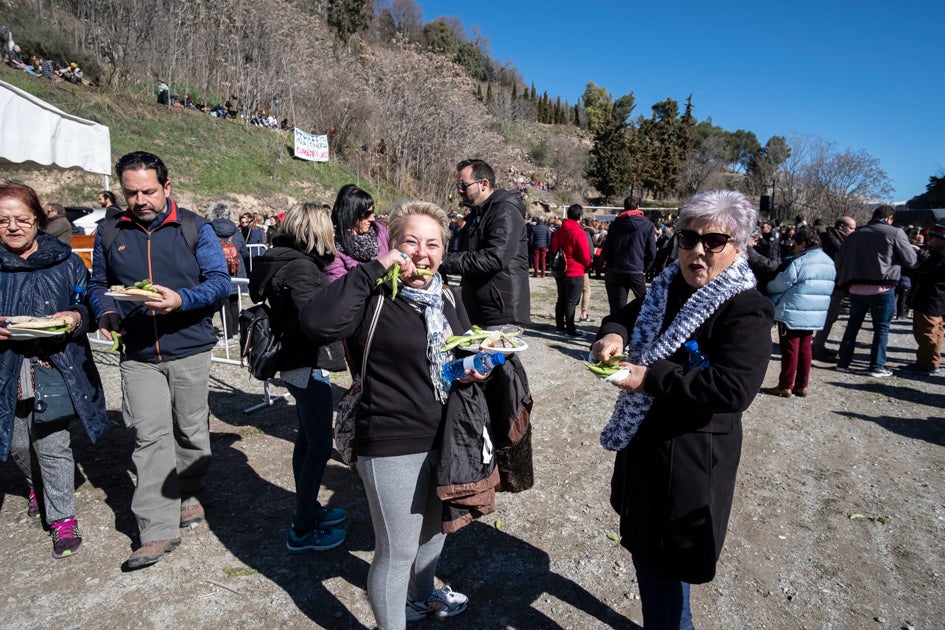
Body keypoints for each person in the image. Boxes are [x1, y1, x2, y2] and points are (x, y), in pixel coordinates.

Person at [591, 190, 773, 629]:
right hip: (645, 448)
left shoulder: (746, 307)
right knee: (654, 556)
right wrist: (613, 334)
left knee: (663, 562)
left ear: (740, 245)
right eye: (688, 238)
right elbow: (627, 315)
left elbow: (733, 389)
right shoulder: (666, 287)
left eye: (714, 241)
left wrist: (647, 377)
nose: (697, 250)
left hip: (690, 457)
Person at [299, 201, 474, 628]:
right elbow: (317, 323)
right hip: (390, 438)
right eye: (410, 241)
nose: (422, 252)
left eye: (432, 244)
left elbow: (465, 349)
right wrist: (372, 270)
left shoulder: (446, 296)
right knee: (397, 550)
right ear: (392, 245)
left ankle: (419, 600)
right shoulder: (372, 294)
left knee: (434, 535)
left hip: (445, 436)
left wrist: (481, 363)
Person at [88, 151, 230, 569]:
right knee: (149, 437)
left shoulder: (193, 228)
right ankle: (155, 530)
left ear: (167, 188)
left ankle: (187, 491)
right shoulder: (109, 230)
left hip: (190, 347)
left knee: (191, 432)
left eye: (148, 191)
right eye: (131, 192)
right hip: (138, 354)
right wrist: (105, 311)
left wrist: (181, 299)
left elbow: (219, 283)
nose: (140, 200)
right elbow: (98, 284)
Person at [0, 182, 110, 559]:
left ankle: (63, 518)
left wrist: (76, 316)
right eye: (3, 220)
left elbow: (90, 306)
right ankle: (36, 486)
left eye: (21, 219)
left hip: (53, 363)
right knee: (15, 443)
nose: (12, 227)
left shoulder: (65, 260)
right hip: (6, 368)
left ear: (38, 220)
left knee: (52, 443)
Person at [249, 203, 348, 553]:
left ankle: (307, 509)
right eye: (329, 228)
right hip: (305, 361)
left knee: (307, 441)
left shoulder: (279, 258)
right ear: (315, 231)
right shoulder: (302, 269)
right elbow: (317, 321)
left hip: (294, 361)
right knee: (319, 446)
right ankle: (303, 528)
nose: (334, 235)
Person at [439, 158, 530, 327]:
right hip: (478, 306)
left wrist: (444, 261)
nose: (459, 191)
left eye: (464, 185)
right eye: (458, 186)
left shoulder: (504, 212)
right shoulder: (477, 214)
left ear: (484, 184)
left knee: (497, 354)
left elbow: (495, 257)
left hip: (500, 309)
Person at [834, 205, 917, 377]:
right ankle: (876, 366)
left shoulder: (854, 235)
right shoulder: (895, 233)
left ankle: (843, 362)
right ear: (889, 218)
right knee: (881, 328)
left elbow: (839, 259)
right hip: (883, 287)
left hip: (856, 287)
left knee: (852, 326)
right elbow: (910, 260)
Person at [763, 226, 836, 397]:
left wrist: (768, 287)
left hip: (792, 311)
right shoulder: (828, 261)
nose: (793, 247)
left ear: (803, 244)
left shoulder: (801, 261)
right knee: (805, 348)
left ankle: (785, 384)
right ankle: (802, 384)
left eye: (795, 244)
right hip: (814, 312)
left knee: (790, 348)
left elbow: (782, 284)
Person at [601, 196, 656, 315]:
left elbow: (606, 250)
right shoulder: (647, 225)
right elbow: (652, 251)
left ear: (624, 208)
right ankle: (642, 329)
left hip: (619, 270)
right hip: (635, 269)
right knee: (645, 304)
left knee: (619, 306)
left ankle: (620, 328)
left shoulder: (615, 224)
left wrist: (612, 264)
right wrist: (644, 268)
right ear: (638, 207)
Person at [902, 220, 945, 375]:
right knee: (937, 333)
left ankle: (926, 364)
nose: (929, 240)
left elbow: (924, 272)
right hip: (937, 300)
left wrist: (916, 257)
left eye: (932, 237)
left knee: (926, 333)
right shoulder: (938, 254)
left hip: (930, 299)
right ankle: (932, 362)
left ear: (939, 237)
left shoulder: (940, 255)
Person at [811, 217, 856, 362]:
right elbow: (842, 253)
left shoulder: (837, 238)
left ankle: (819, 345)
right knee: (829, 316)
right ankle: (816, 347)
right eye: (851, 228)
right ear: (842, 227)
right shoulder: (830, 238)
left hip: (836, 283)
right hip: (831, 283)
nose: (853, 232)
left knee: (831, 316)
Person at [325, 184, 390, 281]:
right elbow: (339, 288)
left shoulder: (382, 232)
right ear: (350, 214)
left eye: (372, 212)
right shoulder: (334, 249)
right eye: (366, 214)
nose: (372, 218)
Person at [206, 201, 248, 344]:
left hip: (221, 271)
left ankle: (228, 335)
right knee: (235, 303)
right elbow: (244, 251)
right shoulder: (236, 231)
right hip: (237, 271)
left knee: (224, 304)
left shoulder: (209, 230)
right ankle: (235, 333)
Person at [550, 204, 591, 337]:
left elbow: (554, 249)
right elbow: (585, 255)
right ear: (580, 217)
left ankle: (559, 326)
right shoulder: (579, 232)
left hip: (561, 270)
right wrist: (586, 266)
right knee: (572, 301)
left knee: (561, 298)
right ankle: (570, 329)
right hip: (575, 270)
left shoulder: (559, 231)